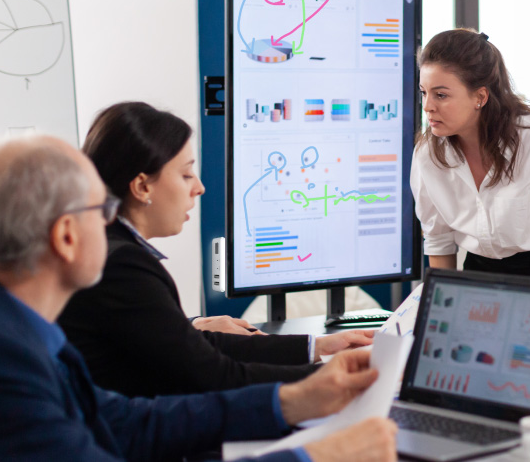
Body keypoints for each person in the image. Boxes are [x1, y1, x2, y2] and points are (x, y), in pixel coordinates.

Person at [0, 135, 397, 461]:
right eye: (102, 209)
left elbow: (127, 423)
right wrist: (317, 457)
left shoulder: (28, 337)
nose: (110, 221)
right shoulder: (10, 368)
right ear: (67, 236)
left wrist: (294, 399)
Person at [58, 102, 374, 398]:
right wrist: (336, 374)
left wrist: (318, 347)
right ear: (142, 187)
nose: (199, 187)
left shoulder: (112, 249)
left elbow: (190, 345)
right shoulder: (122, 267)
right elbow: (212, 374)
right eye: (185, 174)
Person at [410, 29, 530, 276]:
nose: (428, 106)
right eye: (424, 92)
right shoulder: (428, 153)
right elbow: (438, 239)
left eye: (441, 95)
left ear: (480, 97)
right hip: (479, 270)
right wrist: (441, 297)